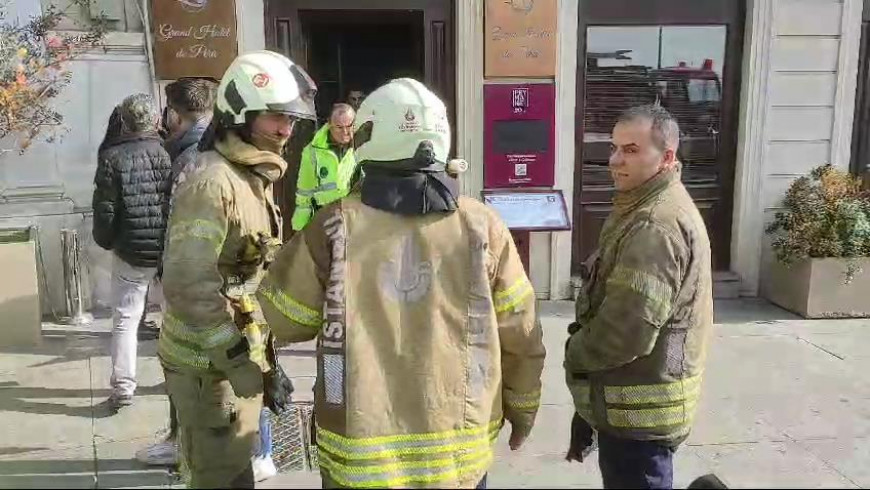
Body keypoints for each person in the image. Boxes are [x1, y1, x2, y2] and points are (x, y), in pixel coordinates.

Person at [256, 78, 547, 489]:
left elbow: (287, 320)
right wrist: (523, 409)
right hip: (458, 458)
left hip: (361, 455)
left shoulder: (333, 225)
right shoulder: (482, 226)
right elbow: (521, 332)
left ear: (368, 138)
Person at [158, 50, 317, 488]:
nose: (286, 130)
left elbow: (246, 280)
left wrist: (267, 362)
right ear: (240, 114)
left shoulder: (249, 175)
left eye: (291, 120)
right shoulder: (214, 181)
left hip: (233, 359)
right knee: (219, 476)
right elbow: (189, 285)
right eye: (274, 118)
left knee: (236, 469)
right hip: (207, 367)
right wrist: (237, 360)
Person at [563, 104, 713, 490]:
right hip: (636, 410)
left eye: (631, 150)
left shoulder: (655, 224)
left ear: (666, 157)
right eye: (613, 148)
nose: (614, 160)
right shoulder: (642, 205)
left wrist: (575, 353)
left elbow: (626, 332)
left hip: (639, 418)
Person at [135, 77, 218, 468]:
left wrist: (168, 273)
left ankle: (182, 442)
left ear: (174, 113)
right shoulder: (211, 146)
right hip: (207, 275)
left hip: (190, 278)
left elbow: (181, 224)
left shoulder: (190, 155)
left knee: (183, 360)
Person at [92, 93, 172, 410]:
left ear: (124, 121)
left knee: (126, 318)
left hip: (131, 250)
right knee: (173, 316)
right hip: (168, 249)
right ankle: (176, 376)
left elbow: (105, 210)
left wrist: (107, 241)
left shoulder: (112, 157)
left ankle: (124, 386)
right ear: (155, 120)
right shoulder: (168, 152)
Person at [291, 103, 357, 231]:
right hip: (326, 219)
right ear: (329, 125)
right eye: (339, 127)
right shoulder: (312, 152)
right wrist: (299, 230)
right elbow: (304, 194)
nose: (345, 132)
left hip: (355, 219)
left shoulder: (362, 146)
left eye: (349, 126)